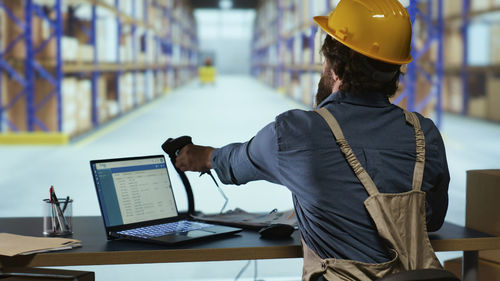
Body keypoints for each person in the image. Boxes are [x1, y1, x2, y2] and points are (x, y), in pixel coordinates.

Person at [175, 0, 449, 280]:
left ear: (335, 67)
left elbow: (238, 162)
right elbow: (431, 219)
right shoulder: (424, 133)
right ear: (395, 69)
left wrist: (205, 156)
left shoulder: (297, 132)